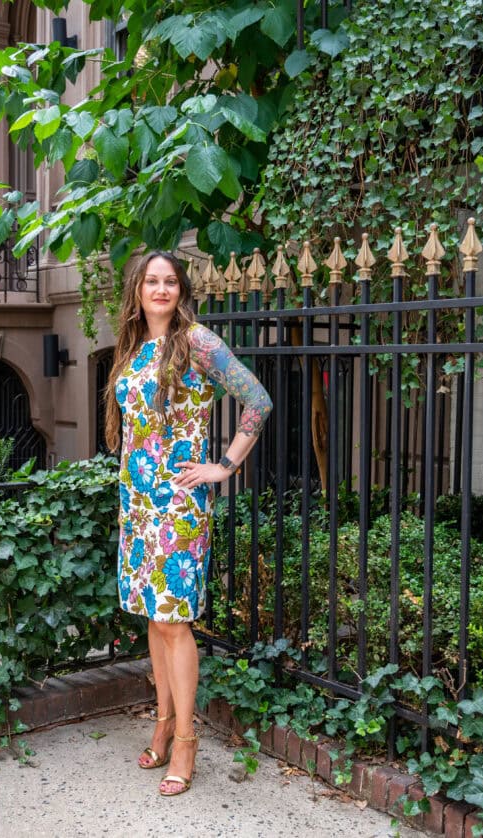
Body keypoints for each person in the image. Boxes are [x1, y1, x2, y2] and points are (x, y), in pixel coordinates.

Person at [104, 250, 272, 797]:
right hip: (138, 502)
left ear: (181, 289)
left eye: (169, 280)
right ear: (137, 289)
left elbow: (257, 400)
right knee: (155, 621)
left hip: (178, 505)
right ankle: (161, 720)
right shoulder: (132, 346)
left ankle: (186, 740)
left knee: (175, 622)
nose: (160, 289)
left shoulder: (197, 342)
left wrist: (223, 466)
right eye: (151, 280)